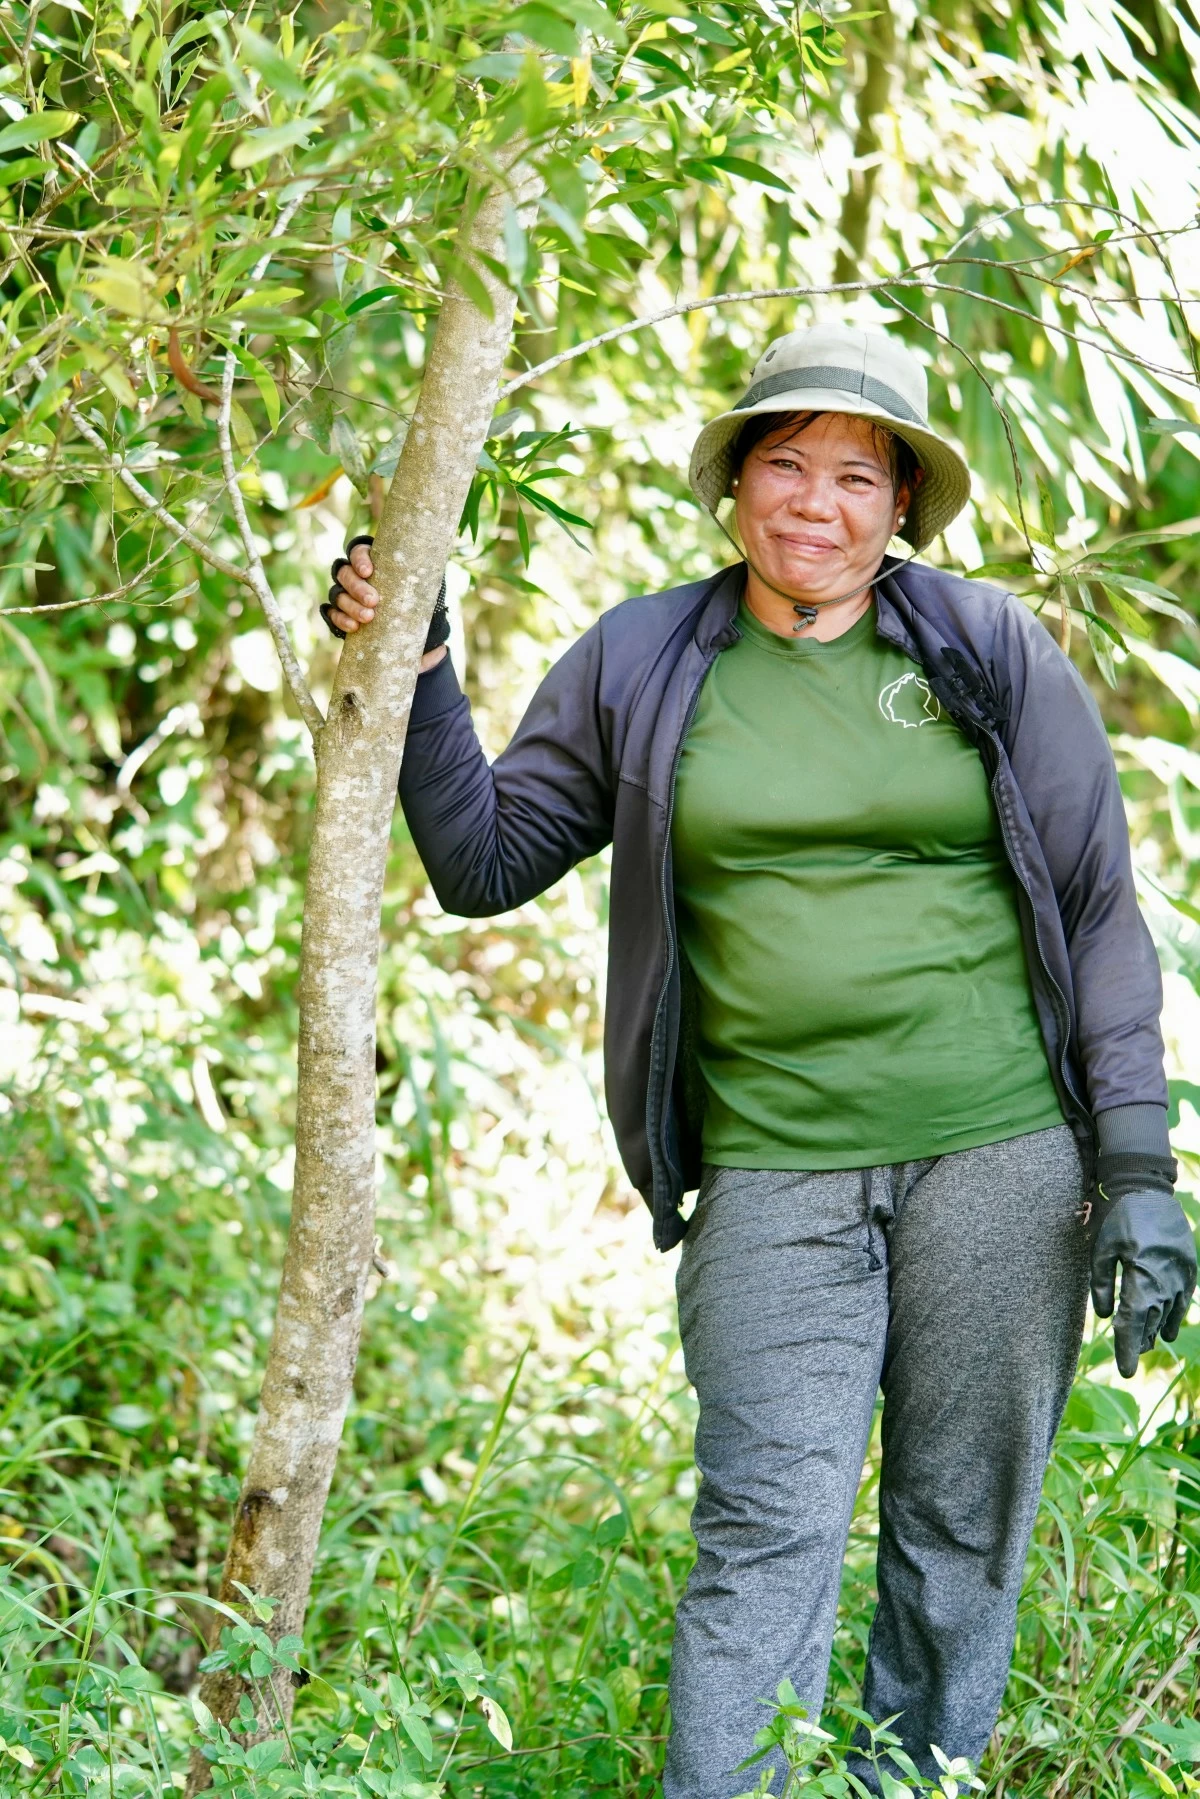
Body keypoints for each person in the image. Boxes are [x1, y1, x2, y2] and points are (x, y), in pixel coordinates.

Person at [322, 322, 1197, 1796]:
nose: (818, 503)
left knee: (962, 1524)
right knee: (764, 1525)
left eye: (859, 474)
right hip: (774, 1171)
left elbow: (1101, 905)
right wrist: (415, 653)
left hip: (999, 1153)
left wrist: (1139, 1170)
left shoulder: (981, 651)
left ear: (905, 502)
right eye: (784, 464)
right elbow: (482, 859)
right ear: (735, 485)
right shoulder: (649, 657)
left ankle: (914, 1782)